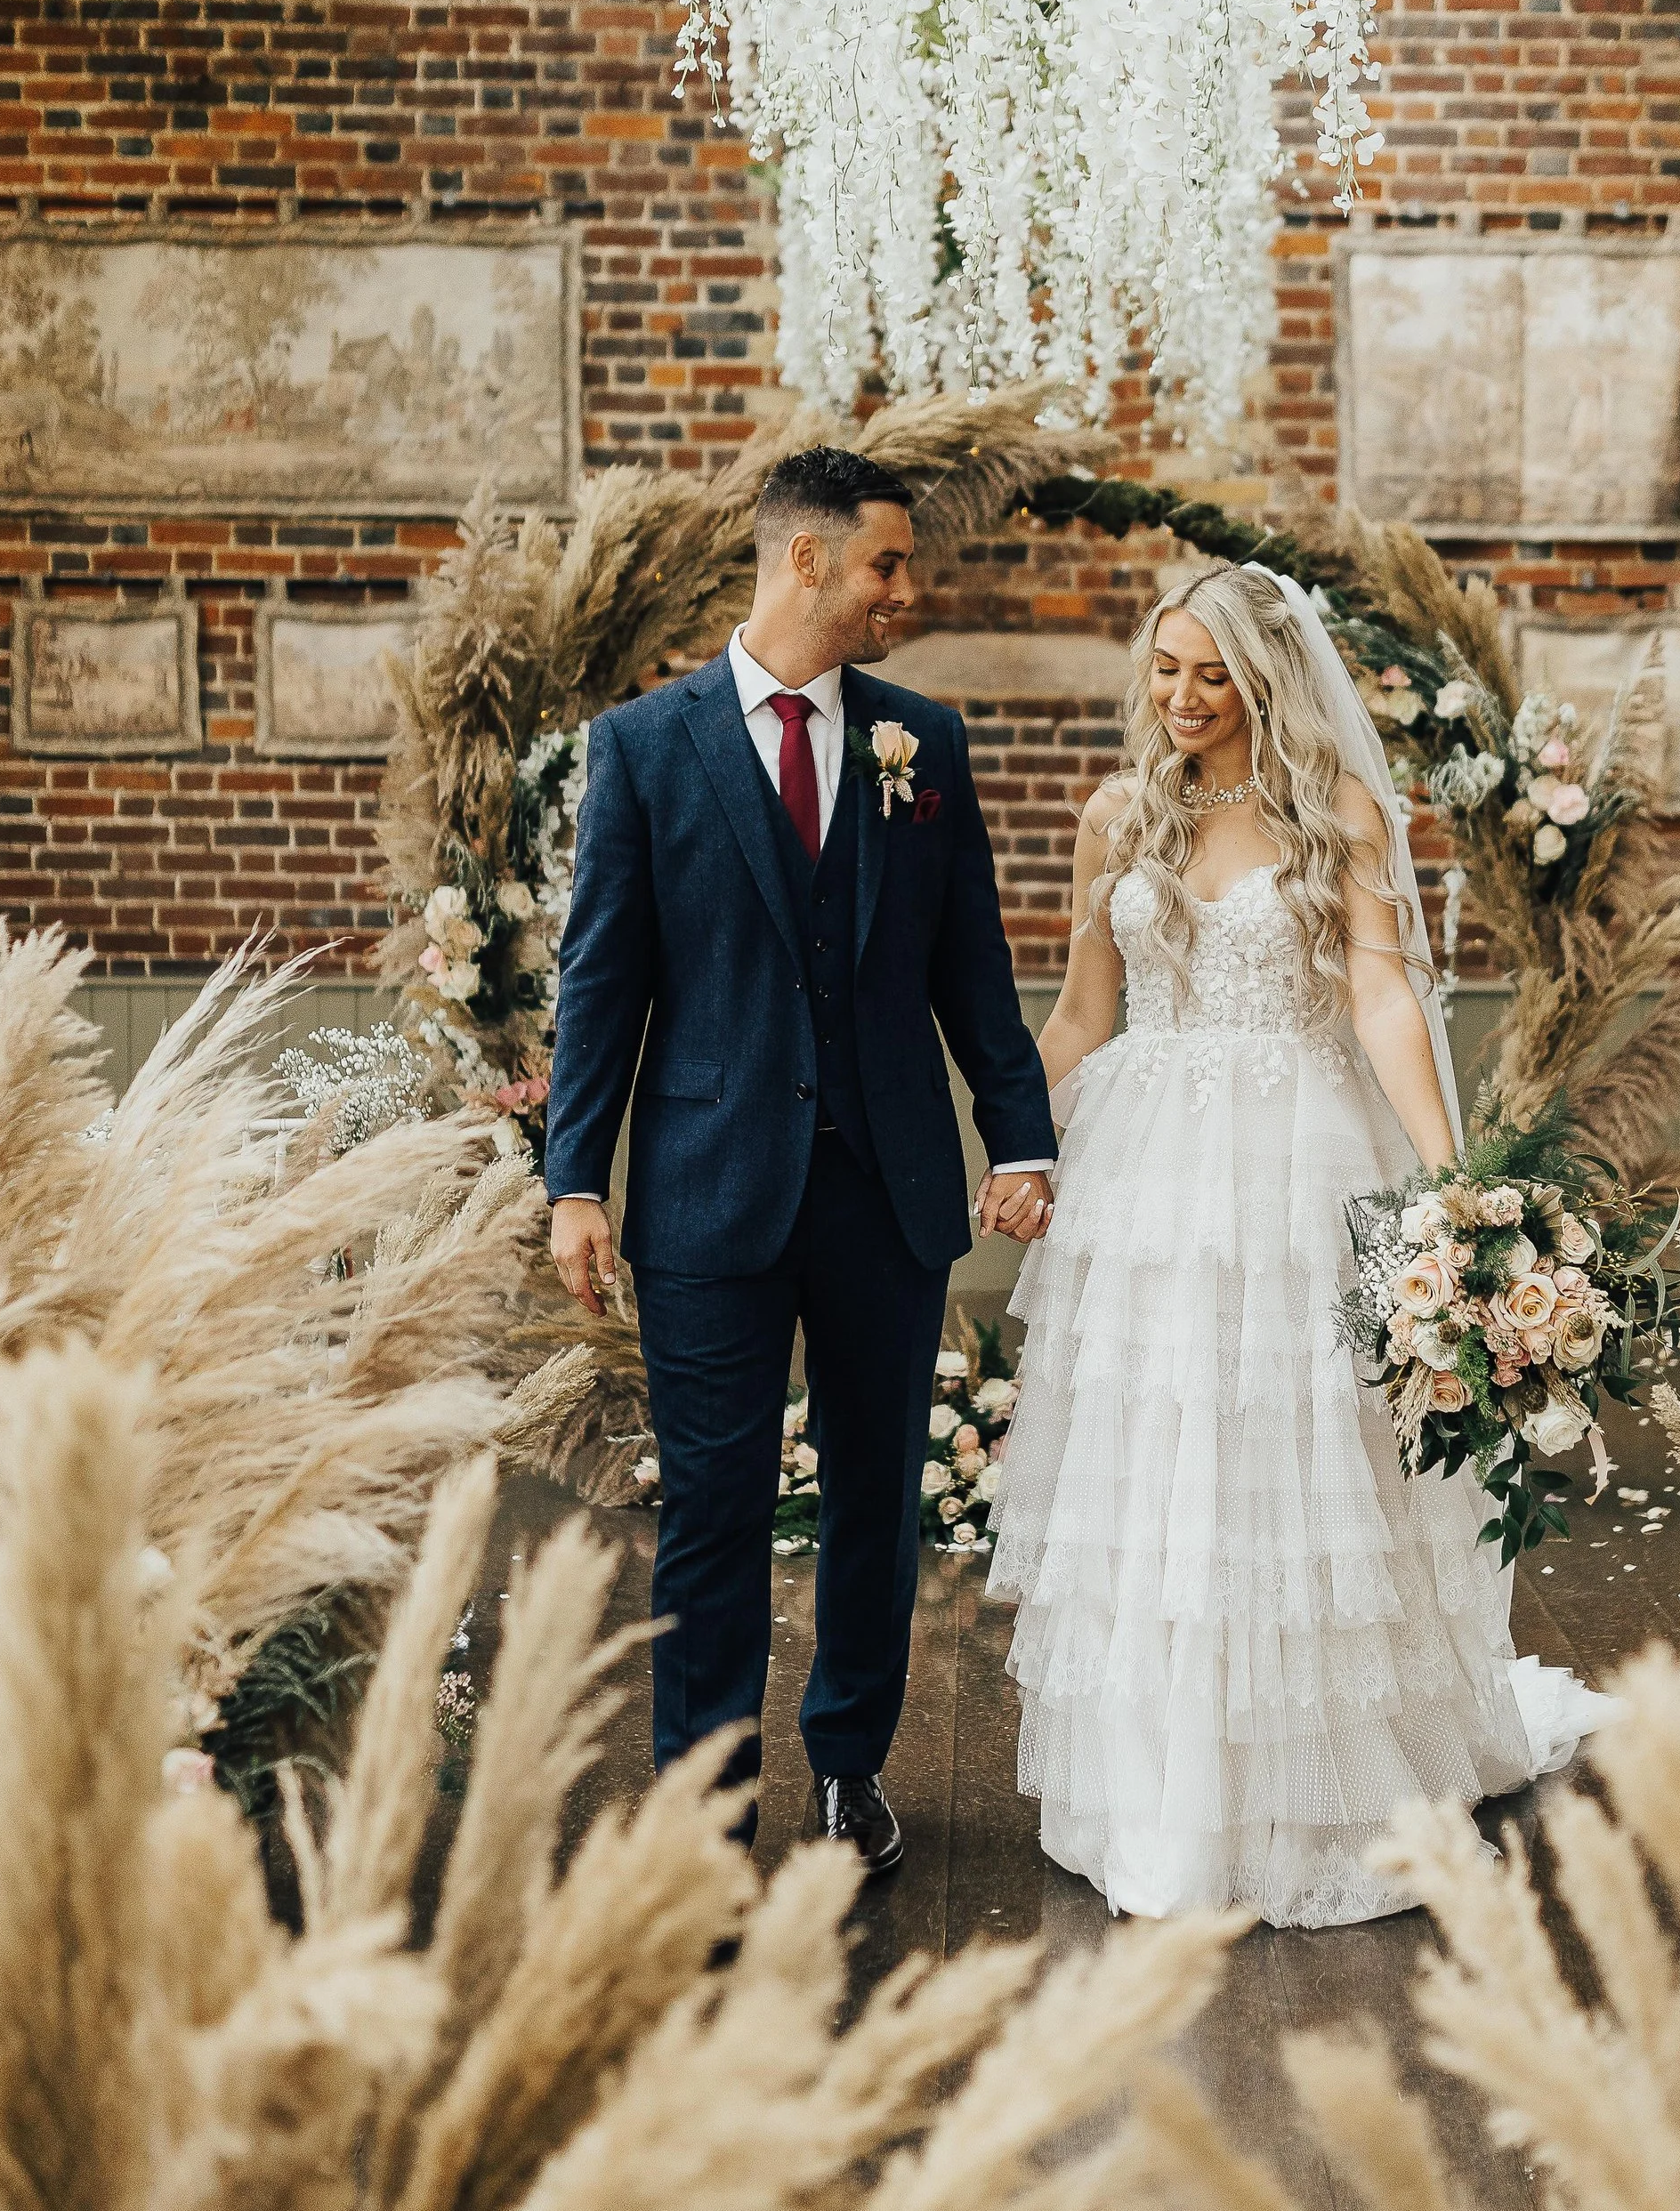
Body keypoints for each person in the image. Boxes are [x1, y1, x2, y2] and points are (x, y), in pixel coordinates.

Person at [988, 561, 1611, 1929]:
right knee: (1158, 1462)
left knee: (1295, 1460)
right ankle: (1160, 1794)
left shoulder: (1333, 815)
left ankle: (1306, 1788)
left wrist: (1455, 1185)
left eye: (1212, 673)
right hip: (1146, 1171)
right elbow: (1084, 1015)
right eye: (1165, 667)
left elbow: (1383, 996)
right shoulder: (1118, 817)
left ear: (1268, 679)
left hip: (1297, 1158)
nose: (1182, 697)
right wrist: (1020, 1146)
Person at [545, 446, 1056, 1875]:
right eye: (890, 562)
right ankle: (701, 1811)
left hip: (888, 1191)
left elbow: (974, 973)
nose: (912, 590)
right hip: (709, 1194)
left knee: (877, 1500)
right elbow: (603, 982)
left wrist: (1020, 1132)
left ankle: (849, 1767)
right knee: (710, 1511)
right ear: (808, 560)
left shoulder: (922, 745)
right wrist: (575, 1177)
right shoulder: (646, 748)